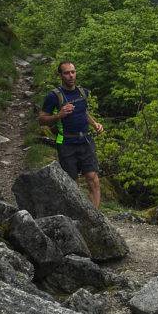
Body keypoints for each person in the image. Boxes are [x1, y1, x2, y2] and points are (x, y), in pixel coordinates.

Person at [39, 61, 105, 208]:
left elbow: (83, 112)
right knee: (72, 184)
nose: (71, 76)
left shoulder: (82, 92)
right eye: (66, 73)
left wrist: (95, 124)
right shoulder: (54, 96)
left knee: (93, 178)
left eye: (73, 72)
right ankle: (78, 216)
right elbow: (42, 120)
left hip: (86, 140)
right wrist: (59, 115)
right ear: (60, 75)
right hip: (66, 143)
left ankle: (95, 218)